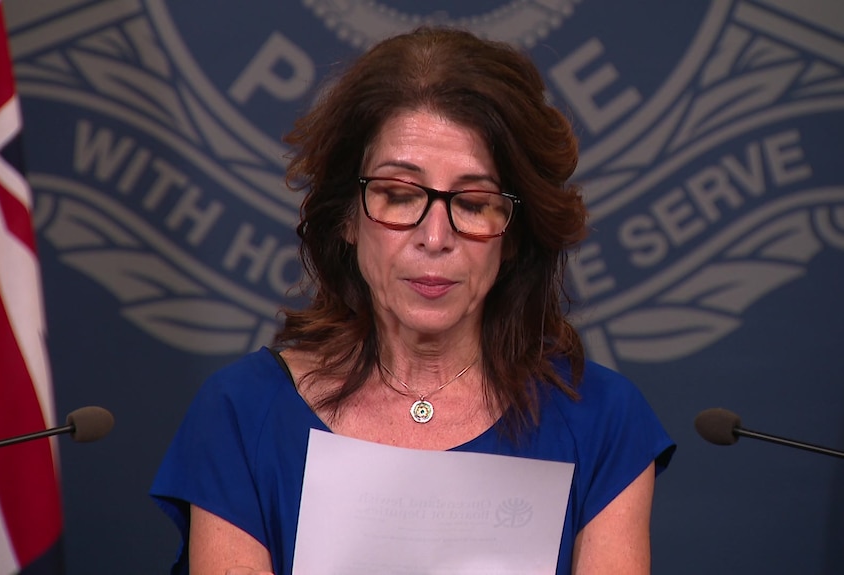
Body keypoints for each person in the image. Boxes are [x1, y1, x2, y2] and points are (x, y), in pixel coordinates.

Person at [150, 25, 675, 575]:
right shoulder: (241, 412)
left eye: (473, 203)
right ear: (347, 218)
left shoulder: (602, 419)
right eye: (400, 195)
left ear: (513, 235)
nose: (435, 237)